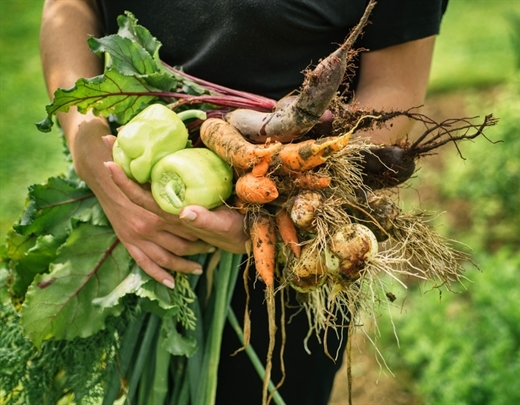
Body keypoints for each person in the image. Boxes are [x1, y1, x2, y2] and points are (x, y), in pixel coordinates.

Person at [39, 1, 448, 403]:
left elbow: (394, 84)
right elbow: (67, 7)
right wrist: (86, 140)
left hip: (296, 244)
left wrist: (288, 200)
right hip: (127, 211)